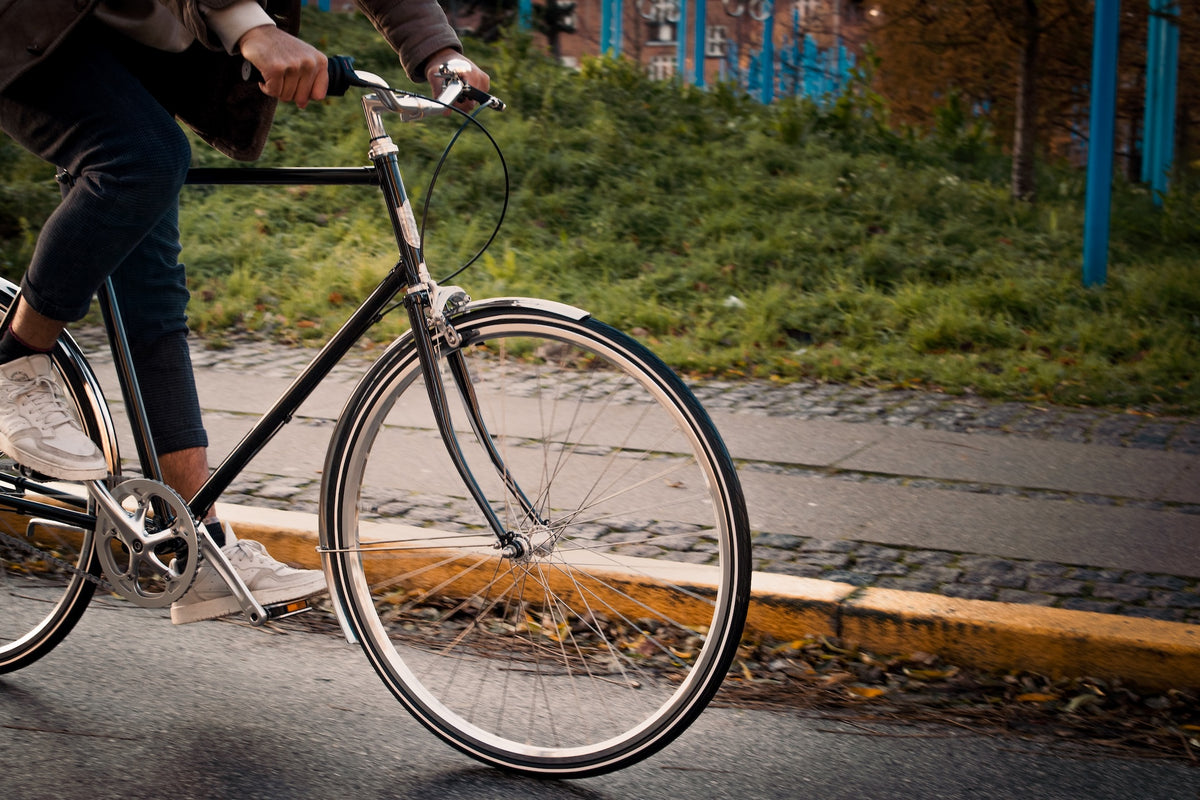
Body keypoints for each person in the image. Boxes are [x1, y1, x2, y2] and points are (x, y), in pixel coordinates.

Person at [0, 0, 489, 624]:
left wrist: (437, 51)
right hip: (37, 23)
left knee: (152, 292)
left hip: (134, 45)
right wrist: (248, 26)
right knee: (145, 159)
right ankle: (17, 359)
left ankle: (192, 543)